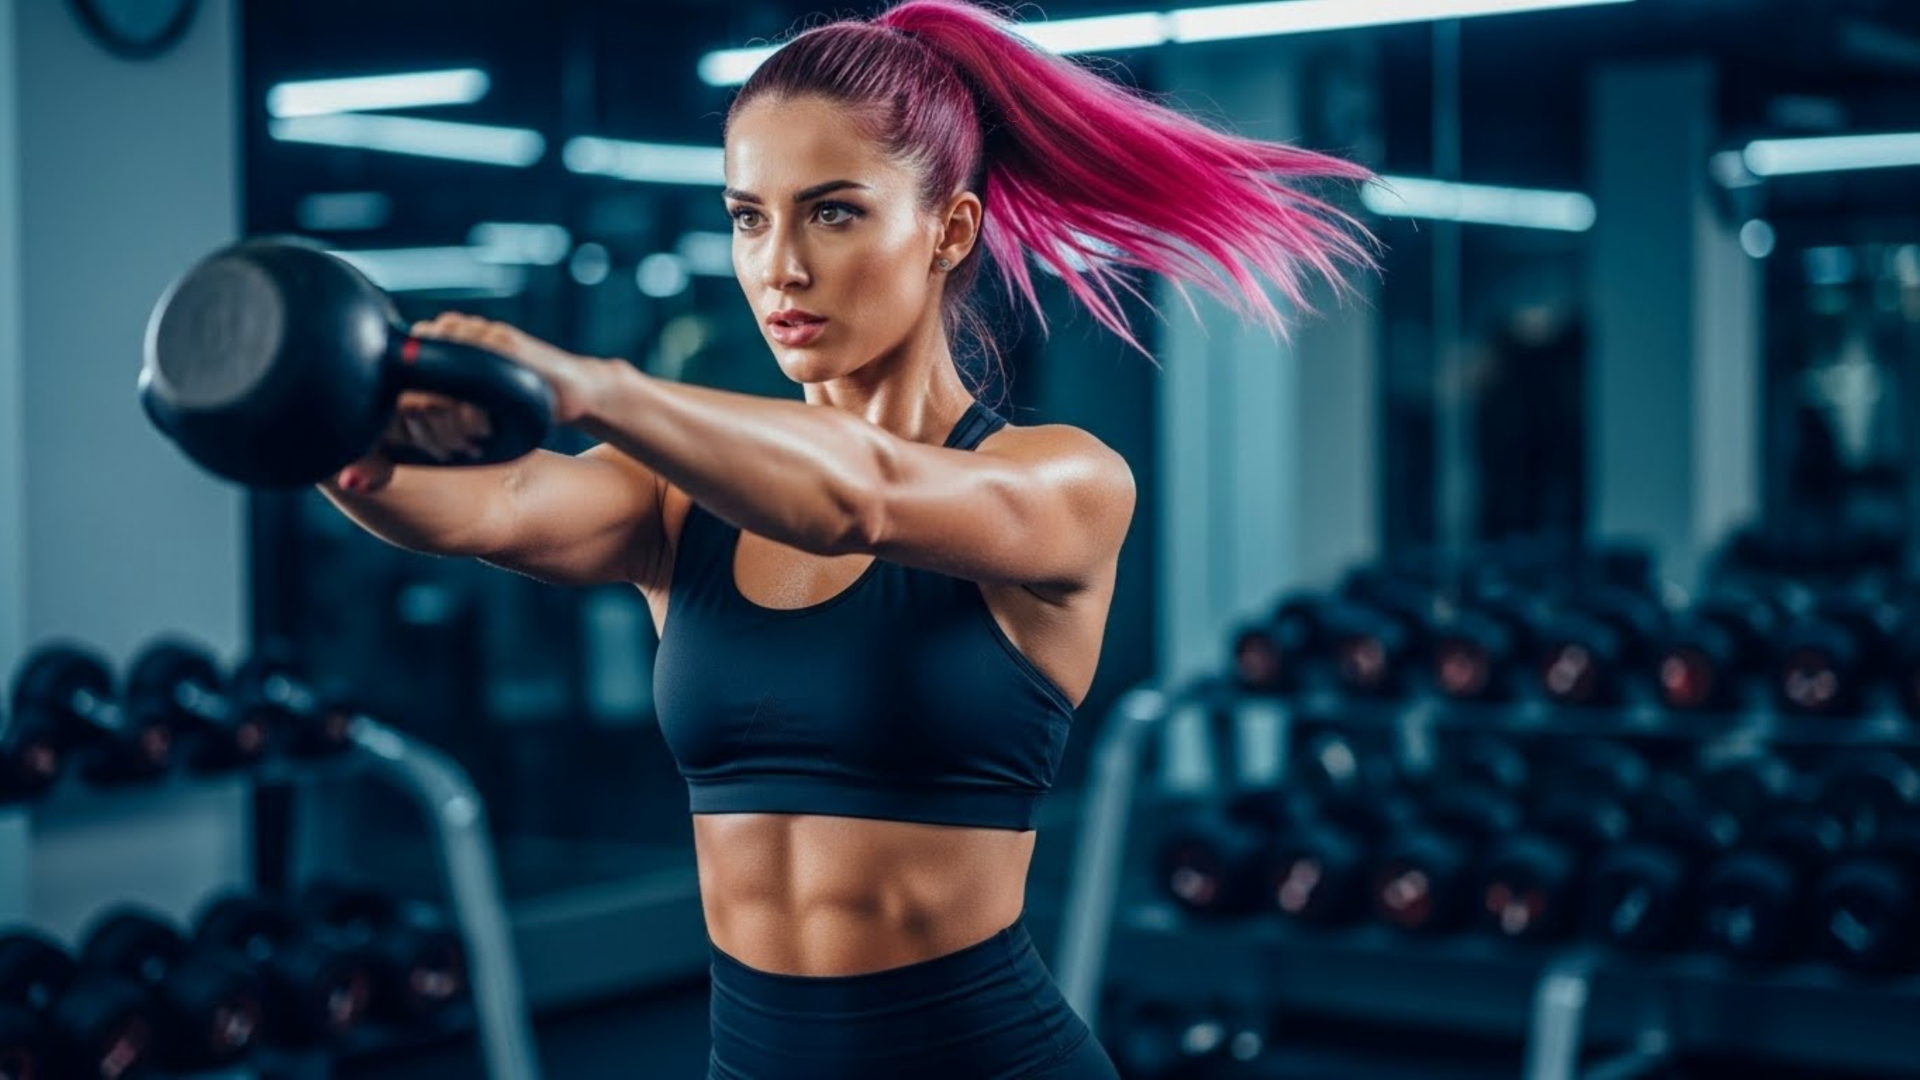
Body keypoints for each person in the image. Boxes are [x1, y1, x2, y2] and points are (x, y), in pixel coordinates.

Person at [319, 1, 1372, 1076]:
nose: (778, 265)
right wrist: (326, 422)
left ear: (948, 231)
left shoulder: (1062, 482)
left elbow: (859, 497)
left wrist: (596, 389)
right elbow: (488, 509)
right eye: (746, 217)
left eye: (831, 213)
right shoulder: (679, 497)